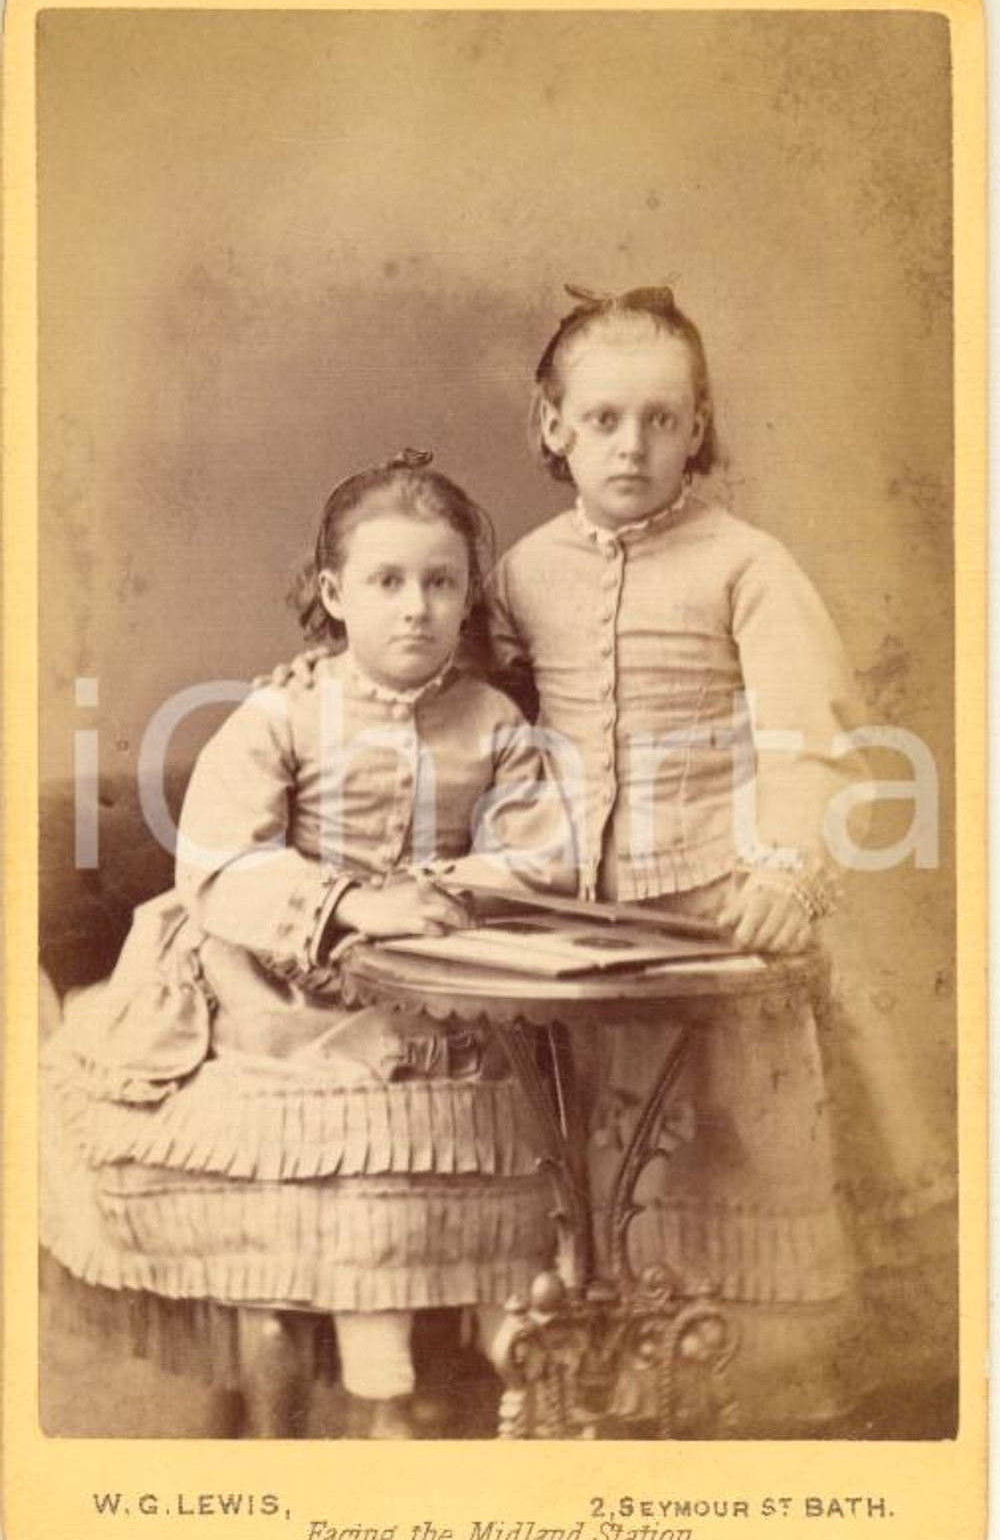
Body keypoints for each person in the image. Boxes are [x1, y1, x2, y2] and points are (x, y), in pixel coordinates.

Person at [271, 289, 956, 1435]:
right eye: (600, 420)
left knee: (729, 1145)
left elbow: (811, 735)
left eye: (658, 419)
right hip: (568, 915)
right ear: (552, 427)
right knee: (587, 1163)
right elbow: (442, 685)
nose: (629, 446)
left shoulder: (746, 564)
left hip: (712, 905)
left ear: (698, 428)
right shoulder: (527, 570)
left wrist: (784, 867)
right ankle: (595, 1383)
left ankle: (743, 1404)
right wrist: (317, 681)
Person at [40, 449, 576, 1438]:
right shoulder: (282, 712)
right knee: (296, 1170)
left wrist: (441, 895)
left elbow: (541, 853)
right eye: (386, 581)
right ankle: (323, 1421)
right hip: (280, 991)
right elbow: (219, 863)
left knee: (493, 1136)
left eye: (439, 582)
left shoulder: (493, 722)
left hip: (434, 990)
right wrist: (347, 907)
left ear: (465, 598)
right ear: (335, 593)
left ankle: (450, 1393)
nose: (414, 607)